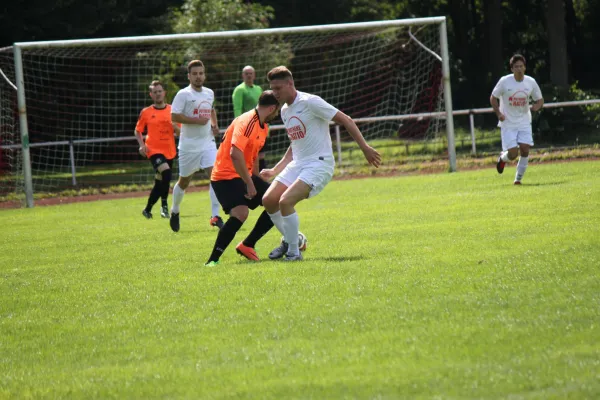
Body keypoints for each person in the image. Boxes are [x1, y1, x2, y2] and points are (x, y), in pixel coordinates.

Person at [260, 66, 381, 261]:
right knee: (269, 200)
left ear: (290, 83)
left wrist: (365, 148)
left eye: (278, 88)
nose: (274, 93)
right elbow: (295, 143)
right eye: (272, 89)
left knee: (285, 201)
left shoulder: (310, 102)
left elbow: (346, 120)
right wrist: (275, 170)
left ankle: (293, 252)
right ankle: (294, 239)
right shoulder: (284, 110)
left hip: (319, 164)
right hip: (299, 164)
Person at [204, 90, 282, 267]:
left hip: (242, 174)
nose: (277, 114)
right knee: (241, 213)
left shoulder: (263, 126)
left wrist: (256, 178)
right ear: (271, 108)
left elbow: (251, 156)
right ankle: (212, 261)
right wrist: (249, 183)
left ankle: (248, 245)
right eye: (277, 110)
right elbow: (235, 154)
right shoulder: (247, 121)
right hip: (224, 176)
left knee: (275, 200)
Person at [170, 59, 224, 232]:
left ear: (204, 74)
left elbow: (211, 110)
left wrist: (214, 125)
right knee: (184, 182)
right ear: (189, 76)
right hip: (188, 147)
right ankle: (175, 210)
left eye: (201, 73)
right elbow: (174, 116)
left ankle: (215, 216)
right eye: (195, 74)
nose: (198, 77)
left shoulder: (209, 93)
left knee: (215, 176)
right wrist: (196, 121)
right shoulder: (183, 94)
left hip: (207, 144)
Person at [491, 54, 544, 184]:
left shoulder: (530, 82)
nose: (519, 69)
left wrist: (536, 107)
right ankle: (503, 159)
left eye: (521, 66)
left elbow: (540, 100)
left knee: (525, 149)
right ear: (512, 69)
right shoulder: (504, 81)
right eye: (516, 67)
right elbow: (493, 98)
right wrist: (499, 113)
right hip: (508, 122)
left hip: (524, 121)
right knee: (513, 154)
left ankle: (518, 180)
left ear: (525, 67)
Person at [134, 80, 180, 219]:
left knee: (160, 182)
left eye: (160, 91)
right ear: (151, 95)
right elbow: (138, 131)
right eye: (155, 92)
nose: (158, 94)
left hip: (170, 150)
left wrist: (175, 126)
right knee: (166, 173)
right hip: (153, 150)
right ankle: (164, 206)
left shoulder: (173, 110)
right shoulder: (146, 112)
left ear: (164, 93)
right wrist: (142, 145)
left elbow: (179, 132)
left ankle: (147, 209)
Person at [232, 65, 268, 170]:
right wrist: (239, 127)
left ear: (254, 75)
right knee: (250, 158)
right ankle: (252, 182)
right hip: (248, 128)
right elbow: (237, 109)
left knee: (261, 156)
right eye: (246, 73)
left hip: (260, 127)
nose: (249, 75)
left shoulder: (259, 89)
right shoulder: (239, 89)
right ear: (242, 75)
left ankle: (261, 181)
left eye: (251, 73)